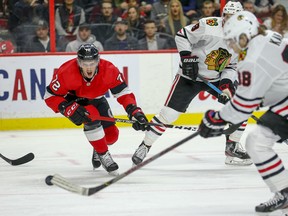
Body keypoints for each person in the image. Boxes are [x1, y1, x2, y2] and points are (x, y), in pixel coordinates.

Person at [131, 1, 253, 166]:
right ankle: (145, 145)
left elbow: (231, 66)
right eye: (227, 16)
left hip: (216, 78)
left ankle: (232, 146)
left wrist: (225, 87)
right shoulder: (209, 25)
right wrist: (187, 58)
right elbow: (182, 35)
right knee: (168, 115)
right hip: (189, 76)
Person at [198, 10, 288, 215]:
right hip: (284, 102)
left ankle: (284, 193)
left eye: (231, 41)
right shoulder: (266, 36)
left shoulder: (251, 59)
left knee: (257, 142)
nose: (229, 46)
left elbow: (243, 106)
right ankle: (285, 193)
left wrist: (217, 119)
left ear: (244, 36)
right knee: (258, 140)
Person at [44, 43, 149, 175]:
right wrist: (66, 108)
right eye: (84, 63)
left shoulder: (109, 70)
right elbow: (49, 96)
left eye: (92, 63)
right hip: (76, 101)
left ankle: (98, 146)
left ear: (98, 61)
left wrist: (134, 111)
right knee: (91, 116)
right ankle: (103, 153)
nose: (88, 68)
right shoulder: (67, 72)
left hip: (98, 99)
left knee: (112, 136)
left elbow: (123, 93)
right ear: (78, 62)